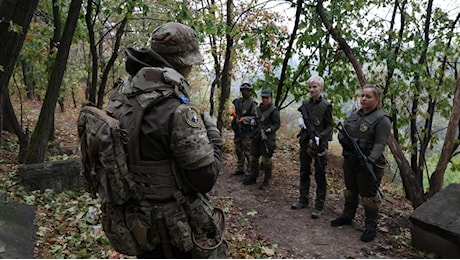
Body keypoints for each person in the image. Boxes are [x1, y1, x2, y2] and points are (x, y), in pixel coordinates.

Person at [104, 22, 227, 258]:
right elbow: (204, 179)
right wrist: (213, 135)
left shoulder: (122, 95)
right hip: (174, 231)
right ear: (183, 64)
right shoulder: (175, 109)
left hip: (137, 222)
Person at [330, 85, 391, 242]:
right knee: (350, 191)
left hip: (368, 163)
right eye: (362, 95)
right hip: (351, 160)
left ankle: (370, 227)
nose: (363, 98)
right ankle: (347, 216)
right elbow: (344, 133)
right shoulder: (355, 115)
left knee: (368, 198)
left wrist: (370, 160)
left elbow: (380, 143)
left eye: (368, 96)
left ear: (377, 100)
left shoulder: (382, 119)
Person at [291, 75, 333, 220]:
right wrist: (302, 125)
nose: (312, 90)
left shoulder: (326, 105)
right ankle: (303, 199)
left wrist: (320, 136)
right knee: (304, 171)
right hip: (305, 142)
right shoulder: (305, 104)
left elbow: (329, 126)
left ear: (320, 88)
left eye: (314, 87)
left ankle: (319, 206)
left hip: (319, 144)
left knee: (320, 175)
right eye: (309, 87)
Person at [243, 89, 280, 190]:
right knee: (253, 158)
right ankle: (253, 176)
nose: (265, 100)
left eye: (267, 98)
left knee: (266, 160)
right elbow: (255, 118)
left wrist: (270, 129)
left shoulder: (274, 110)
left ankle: (266, 180)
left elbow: (277, 124)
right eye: (263, 98)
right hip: (257, 136)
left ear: (271, 98)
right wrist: (253, 122)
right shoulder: (258, 109)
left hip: (267, 138)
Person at [231, 83, 258, 176]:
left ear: (250, 92)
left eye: (246, 90)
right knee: (238, 149)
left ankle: (250, 169)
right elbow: (235, 111)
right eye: (243, 90)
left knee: (248, 150)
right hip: (238, 129)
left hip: (246, 130)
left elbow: (255, 117)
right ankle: (240, 167)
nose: (244, 92)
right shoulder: (238, 102)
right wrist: (234, 113)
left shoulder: (252, 103)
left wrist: (244, 119)